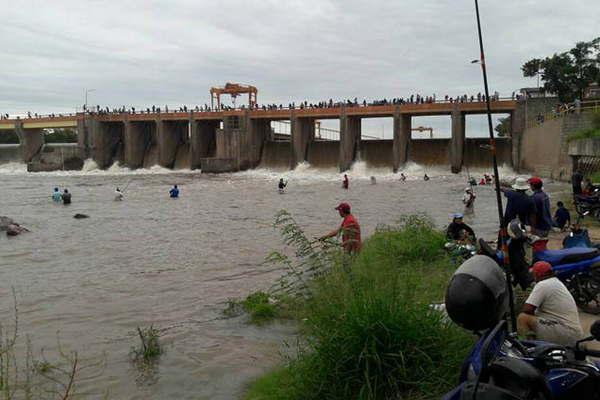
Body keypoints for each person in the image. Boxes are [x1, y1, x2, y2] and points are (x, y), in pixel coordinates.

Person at [517, 261, 584, 346]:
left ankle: (524, 348)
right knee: (535, 316)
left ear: (537, 274)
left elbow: (527, 309)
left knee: (523, 318)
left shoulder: (543, 284)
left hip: (566, 333)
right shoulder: (556, 282)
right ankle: (534, 345)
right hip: (572, 333)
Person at [502, 177, 537, 289]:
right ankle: (517, 270)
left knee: (505, 247)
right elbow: (532, 216)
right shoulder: (529, 200)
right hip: (520, 228)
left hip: (507, 226)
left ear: (516, 187)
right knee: (518, 249)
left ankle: (511, 271)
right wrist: (532, 228)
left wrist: (498, 187)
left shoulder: (511, 195)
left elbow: (503, 190)